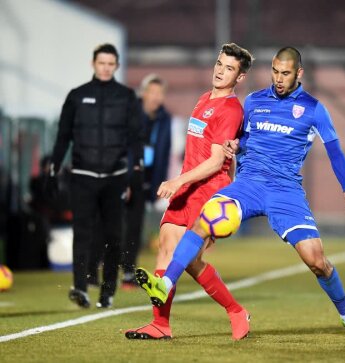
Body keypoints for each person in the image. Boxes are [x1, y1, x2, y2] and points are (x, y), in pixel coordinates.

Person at [135, 46, 345, 341]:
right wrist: (235, 146)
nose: (278, 78)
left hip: (285, 190)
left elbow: (334, 150)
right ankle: (165, 284)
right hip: (248, 183)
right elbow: (241, 140)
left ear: (299, 74)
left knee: (316, 260)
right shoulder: (253, 102)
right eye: (275, 71)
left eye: (285, 73)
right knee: (206, 218)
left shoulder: (314, 109)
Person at [125, 43, 254, 340]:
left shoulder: (231, 110)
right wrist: (182, 182)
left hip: (208, 190)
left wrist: (177, 181)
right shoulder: (204, 99)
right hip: (187, 186)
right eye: (219, 64)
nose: (221, 71)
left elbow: (216, 161)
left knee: (185, 259)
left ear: (240, 77)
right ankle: (160, 324)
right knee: (172, 253)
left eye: (229, 68)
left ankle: (235, 310)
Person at [47, 43, 143, 309]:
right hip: (83, 175)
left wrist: (137, 169)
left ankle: (107, 291)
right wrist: (54, 167)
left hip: (115, 177)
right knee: (83, 233)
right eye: (101, 63)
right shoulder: (77, 96)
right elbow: (63, 136)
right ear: (93, 64)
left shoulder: (126, 97)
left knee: (114, 235)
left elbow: (135, 138)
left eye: (111, 64)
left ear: (117, 66)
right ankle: (80, 287)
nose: (105, 67)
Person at [121, 74, 173, 289]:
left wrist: (157, 185)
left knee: (135, 226)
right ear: (143, 93)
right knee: (116, 223)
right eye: (151, 92)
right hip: (126, 175)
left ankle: (127, 271)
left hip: (146, 177)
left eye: (159, 93)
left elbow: (164, 152)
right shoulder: (129, 112)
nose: (155, 97)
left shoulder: (164, 119)